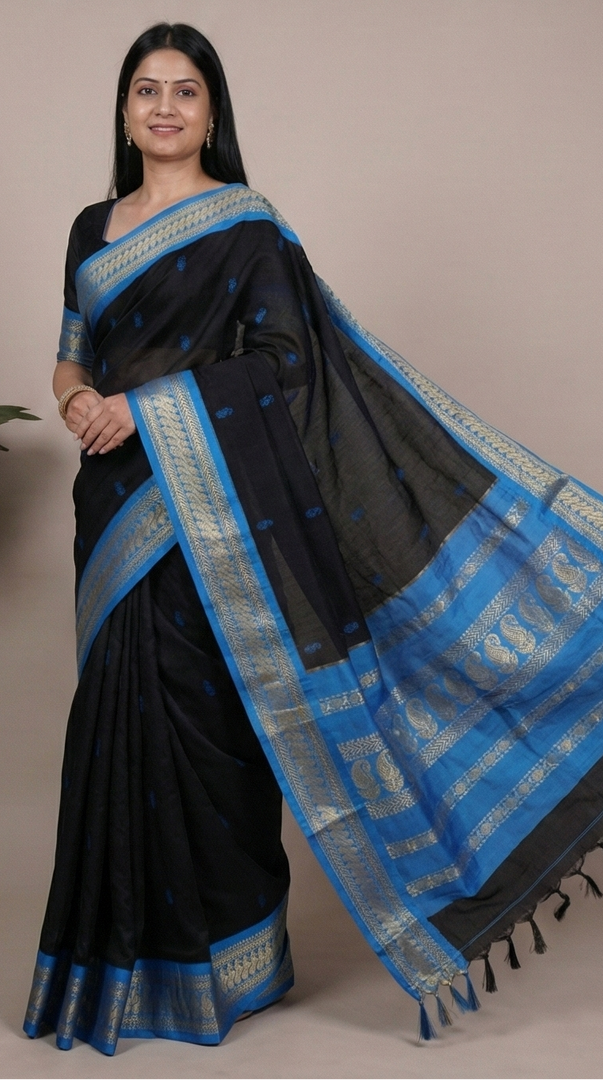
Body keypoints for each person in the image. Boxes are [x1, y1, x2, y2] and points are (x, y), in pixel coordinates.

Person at [23, 21, 603, 1057]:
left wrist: (147, 409)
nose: (164, 108)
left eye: (185, 92)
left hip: (204, 521)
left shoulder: (246, 230)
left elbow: (288, 366)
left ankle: (235, 966)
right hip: (111, 512)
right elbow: (71, 358)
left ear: (213, 113)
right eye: (146, 90)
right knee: (118, 724)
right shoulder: (89, 229)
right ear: (123, 110)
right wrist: (78, 404)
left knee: (213, 734)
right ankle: (128, 961)